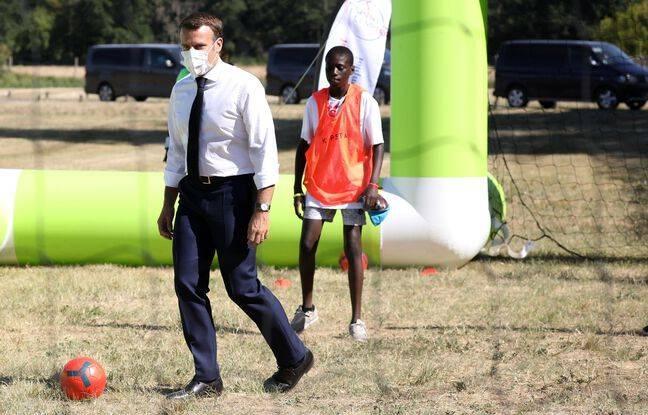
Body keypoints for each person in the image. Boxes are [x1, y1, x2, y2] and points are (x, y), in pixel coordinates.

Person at [158, 12, 313, 399]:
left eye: (199, 46)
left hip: (234, 196)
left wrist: (263, 209)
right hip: (192, 196)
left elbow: (265, 151)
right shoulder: (181, 91)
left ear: (218, 45)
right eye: (186, 46)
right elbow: (176, 151)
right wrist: (167, 204)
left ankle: (294, 357)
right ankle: (207, 377)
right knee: (187, 284)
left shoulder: (244, 87)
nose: (191, 53)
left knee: (242, 286)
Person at [291, 46, 385, 342]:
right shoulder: (315, 102)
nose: (335, 72)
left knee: (353, 246)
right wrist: (297, 188)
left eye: (340, 67)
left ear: (350, 70)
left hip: (353, 184)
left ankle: (357, 319)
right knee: (307, 244)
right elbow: (303, 146)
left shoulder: (364, 101)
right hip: (320, 184)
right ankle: (308, 309)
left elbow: (378, 145)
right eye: (331, 67)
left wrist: (373, 184)